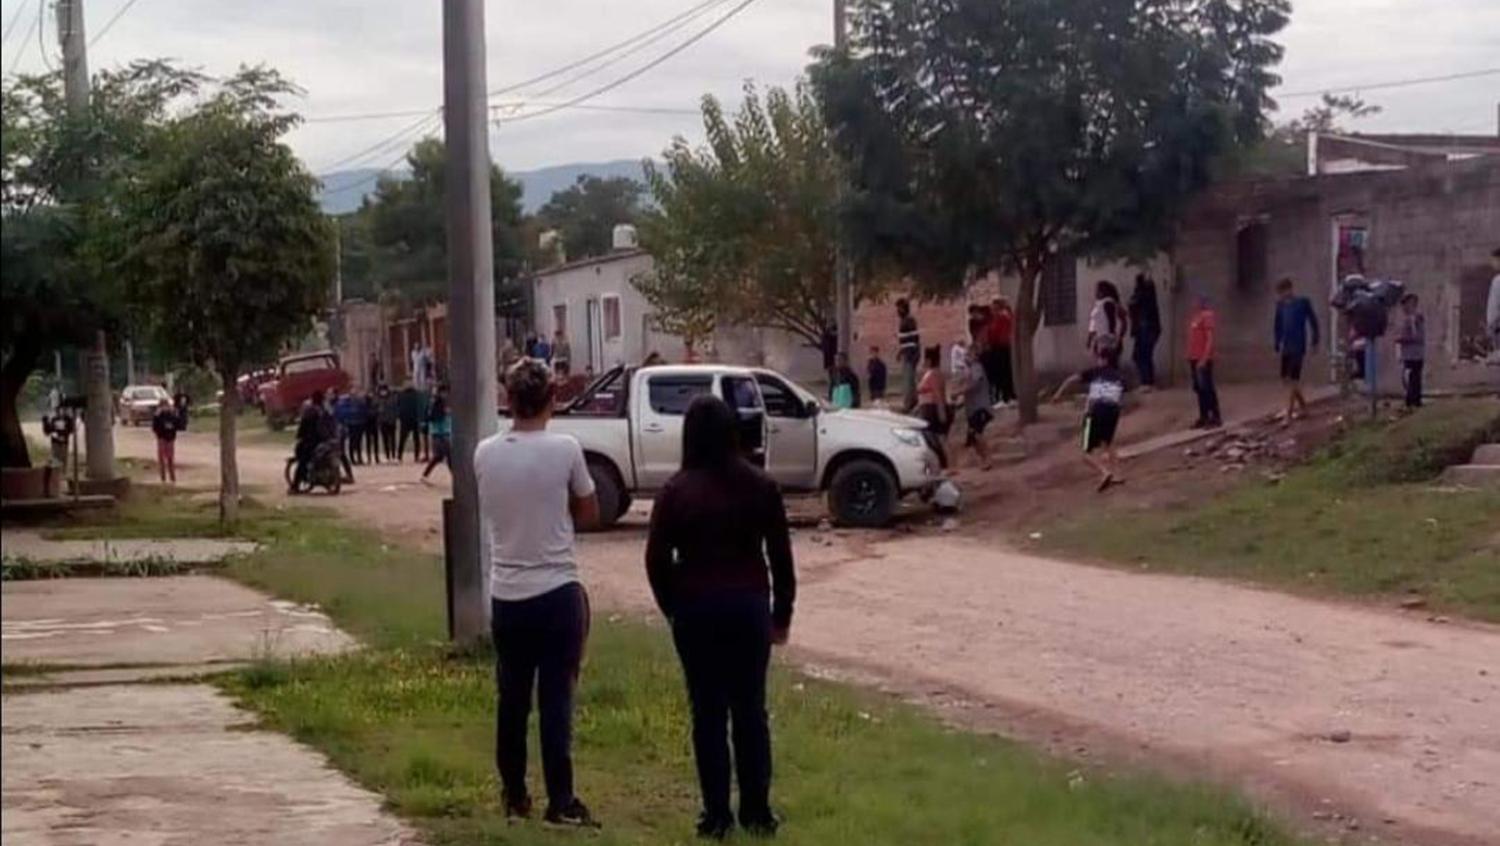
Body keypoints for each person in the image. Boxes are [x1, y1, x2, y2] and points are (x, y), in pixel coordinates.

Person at [645, 395, 795, 840]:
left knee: (707, 713)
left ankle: (715, 815)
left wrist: (674, 606)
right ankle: (757, 812)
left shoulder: (676, 491)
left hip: (696, 607)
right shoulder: (761, 486)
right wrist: (780, 615)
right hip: (748, 605)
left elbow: (655, 560)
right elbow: (782, 560)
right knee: (751, 711)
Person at [475, 359, 600, 828]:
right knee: (555, 701)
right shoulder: (565, 449)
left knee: (511, 698)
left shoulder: (484, 452)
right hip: (557, 588)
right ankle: (561, 799)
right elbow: (588, 512)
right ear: (553, 398)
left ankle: (513, 794)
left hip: (507, 592)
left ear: (508, 400)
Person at [1051, 347, 1127, 491]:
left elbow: (1071, 379)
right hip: (1113, 410)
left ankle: (1105, 472)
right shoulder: (1119, 376)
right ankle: (1118, 474)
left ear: (1103, 360)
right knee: (1108, 443)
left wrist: (1058, 394)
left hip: (1095, 410)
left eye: (1099, 358)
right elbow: (1120, 395)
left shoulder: (1095, 372)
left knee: (1084, 453)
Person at [1273, 277, 1321, 422]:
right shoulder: (1280, 306)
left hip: (1298, 345)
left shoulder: (1302, 303)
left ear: (1290, 290)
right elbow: (1277, 325)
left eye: (1283, 292)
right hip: (1286, 346)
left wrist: (1315, 341)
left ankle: (1288, 413)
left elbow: (1313, 322)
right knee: (1285, 379)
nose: (1282, 295)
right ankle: (1304, 407)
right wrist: (1277, 341)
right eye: (1280, 293)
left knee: (1294, 378)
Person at [1187, 295, 1223, 429]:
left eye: (1197, 301)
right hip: (1193, 357)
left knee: (1207, 388)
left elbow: (1210, 339)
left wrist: (1204, 358)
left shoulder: (1207, 316)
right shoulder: (1195, 317)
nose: (1194, 303)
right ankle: (1203, 416)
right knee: (1199, 389)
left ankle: (1215, 416)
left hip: (1203, 358)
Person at [916, 345, 950, 470]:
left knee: (936, 438)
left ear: (929, 360)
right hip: (929, 408)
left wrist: (941, 412)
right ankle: (941, 464)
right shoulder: (931, 373)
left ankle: (946, 464)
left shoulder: (934, 374)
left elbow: (937, 393)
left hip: (932, 408)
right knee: (935, 438)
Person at [961, 344, 994, 470]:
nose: (966, 357)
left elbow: (975, 383)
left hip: (980, 407)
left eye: (968, 355)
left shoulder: (977, 367)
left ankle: (988, 458)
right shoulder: (969, 369)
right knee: (973, 436)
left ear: (975, 356)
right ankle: (983, 459)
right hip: (972, 409)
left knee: (977, 434)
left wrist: (960, 390)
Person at [1128, 274, 1162, 388]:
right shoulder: (1145, 295)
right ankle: (1147, 381)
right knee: (1141, 355)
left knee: (1142, 355)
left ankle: (1147, 382)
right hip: (1146, 328)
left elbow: (1133, 304)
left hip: (1147, 328)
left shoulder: (1144, 295)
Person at [1087, 281, 1128, 368]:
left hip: (1106, 339)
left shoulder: (1108, 302)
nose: (1096, 292)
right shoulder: (1099, 305)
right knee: (1102, 364)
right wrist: (1090, 339)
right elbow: (1093, 324)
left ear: (1103, 291)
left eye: (1097, 290)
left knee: (1106, 365)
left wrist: (1111, 340)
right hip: (1100, 338)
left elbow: (1111, 321)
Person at [1395, 293, 1425, 410]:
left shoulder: (1416, 319)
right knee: (1409, 378)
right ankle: (1411, 401)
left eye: (1406, 305)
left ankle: (1413, 401)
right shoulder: (1408, 319)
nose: (1404, 308)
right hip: (1408, 354)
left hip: (1414, 354)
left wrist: (1401, 339)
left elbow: (1416, 337)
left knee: (1412, 378)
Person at [292, 391, 327, 489]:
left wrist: (299, 436)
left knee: (303, 461)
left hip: (311, 440)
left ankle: (295, 485)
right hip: (324, 439)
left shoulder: (310, 411)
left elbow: (303, 426)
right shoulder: (323, 410)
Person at [985, 297, 1016, 404]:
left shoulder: (1002, 318)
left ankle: (1007, 397)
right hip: (999, 347)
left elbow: (996, 333)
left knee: (1004, 373)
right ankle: (1006, 396)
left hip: (1001, 347)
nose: (992, 310)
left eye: (993, 307)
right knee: (1003, 373)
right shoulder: (997, 318)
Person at [420, 385, 452, 482]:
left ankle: (425, 475)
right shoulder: (437, 403)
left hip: (444, 432)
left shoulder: (444, 403)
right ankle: (425, 475)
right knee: (444, 456)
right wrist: (444, 413)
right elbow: (433, 417)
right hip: (439, 433)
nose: (445, 395)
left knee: (443, 456)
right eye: (444, 392)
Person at [895, 298, 921, 412]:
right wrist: (900, 352)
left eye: (899, 308)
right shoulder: (905, 321)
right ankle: (912, 401)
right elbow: (905, 340)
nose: (897, 311)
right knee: (909, 378)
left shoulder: (908, 321)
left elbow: (913, 339)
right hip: (908, 352)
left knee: (908, 378)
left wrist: (906, 352)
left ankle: (909, 403)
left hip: (911, 354)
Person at [151, 399, 182, 484]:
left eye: (166, 406)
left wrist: (175, 419)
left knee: (170, 458)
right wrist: (156, 417)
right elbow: (154, 427)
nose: (165, 408)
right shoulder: (158, 415)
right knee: (161, 458)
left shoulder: (172, 414)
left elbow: (178, 425)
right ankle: (163, 478)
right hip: (161, 438)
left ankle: (172, 477)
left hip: (170, 438)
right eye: (163, 406)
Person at [335, 390, 363, 465]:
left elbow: (362, 412)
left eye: (355, 395)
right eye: (352, 395)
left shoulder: (359, 403)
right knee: (351, 441)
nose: (354, 396)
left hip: (358, 423)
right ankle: (352, 458)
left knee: (358, 442)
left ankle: (359, 457)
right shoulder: (346, 403)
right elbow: (343, 413)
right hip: (350, 424)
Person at [396, 382, 422, 462]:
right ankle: (414, 456)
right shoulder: (416, 394)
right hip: (412, 418)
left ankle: (400, 456)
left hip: (408, 419)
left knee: (404, 439)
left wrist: (400, 415)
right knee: (414, 439)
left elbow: (398, 406)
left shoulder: (402, 394)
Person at [377, 384, 399, 461]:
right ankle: (387, 455)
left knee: (392, 439)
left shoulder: (392, 398)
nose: (383, 392)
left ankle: (393, 454)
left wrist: (394, 418)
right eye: (382, 390)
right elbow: (377, 411)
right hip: (383, 422)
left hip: (391, 421)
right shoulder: (379, 399)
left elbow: (396, 409)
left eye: (384, 390)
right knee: (385, 440)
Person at [1488, 247, 1500, 357]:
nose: (1492, 264)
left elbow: (1494, 308)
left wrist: (1492, 325)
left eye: (1494, 260)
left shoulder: (1497, 281)